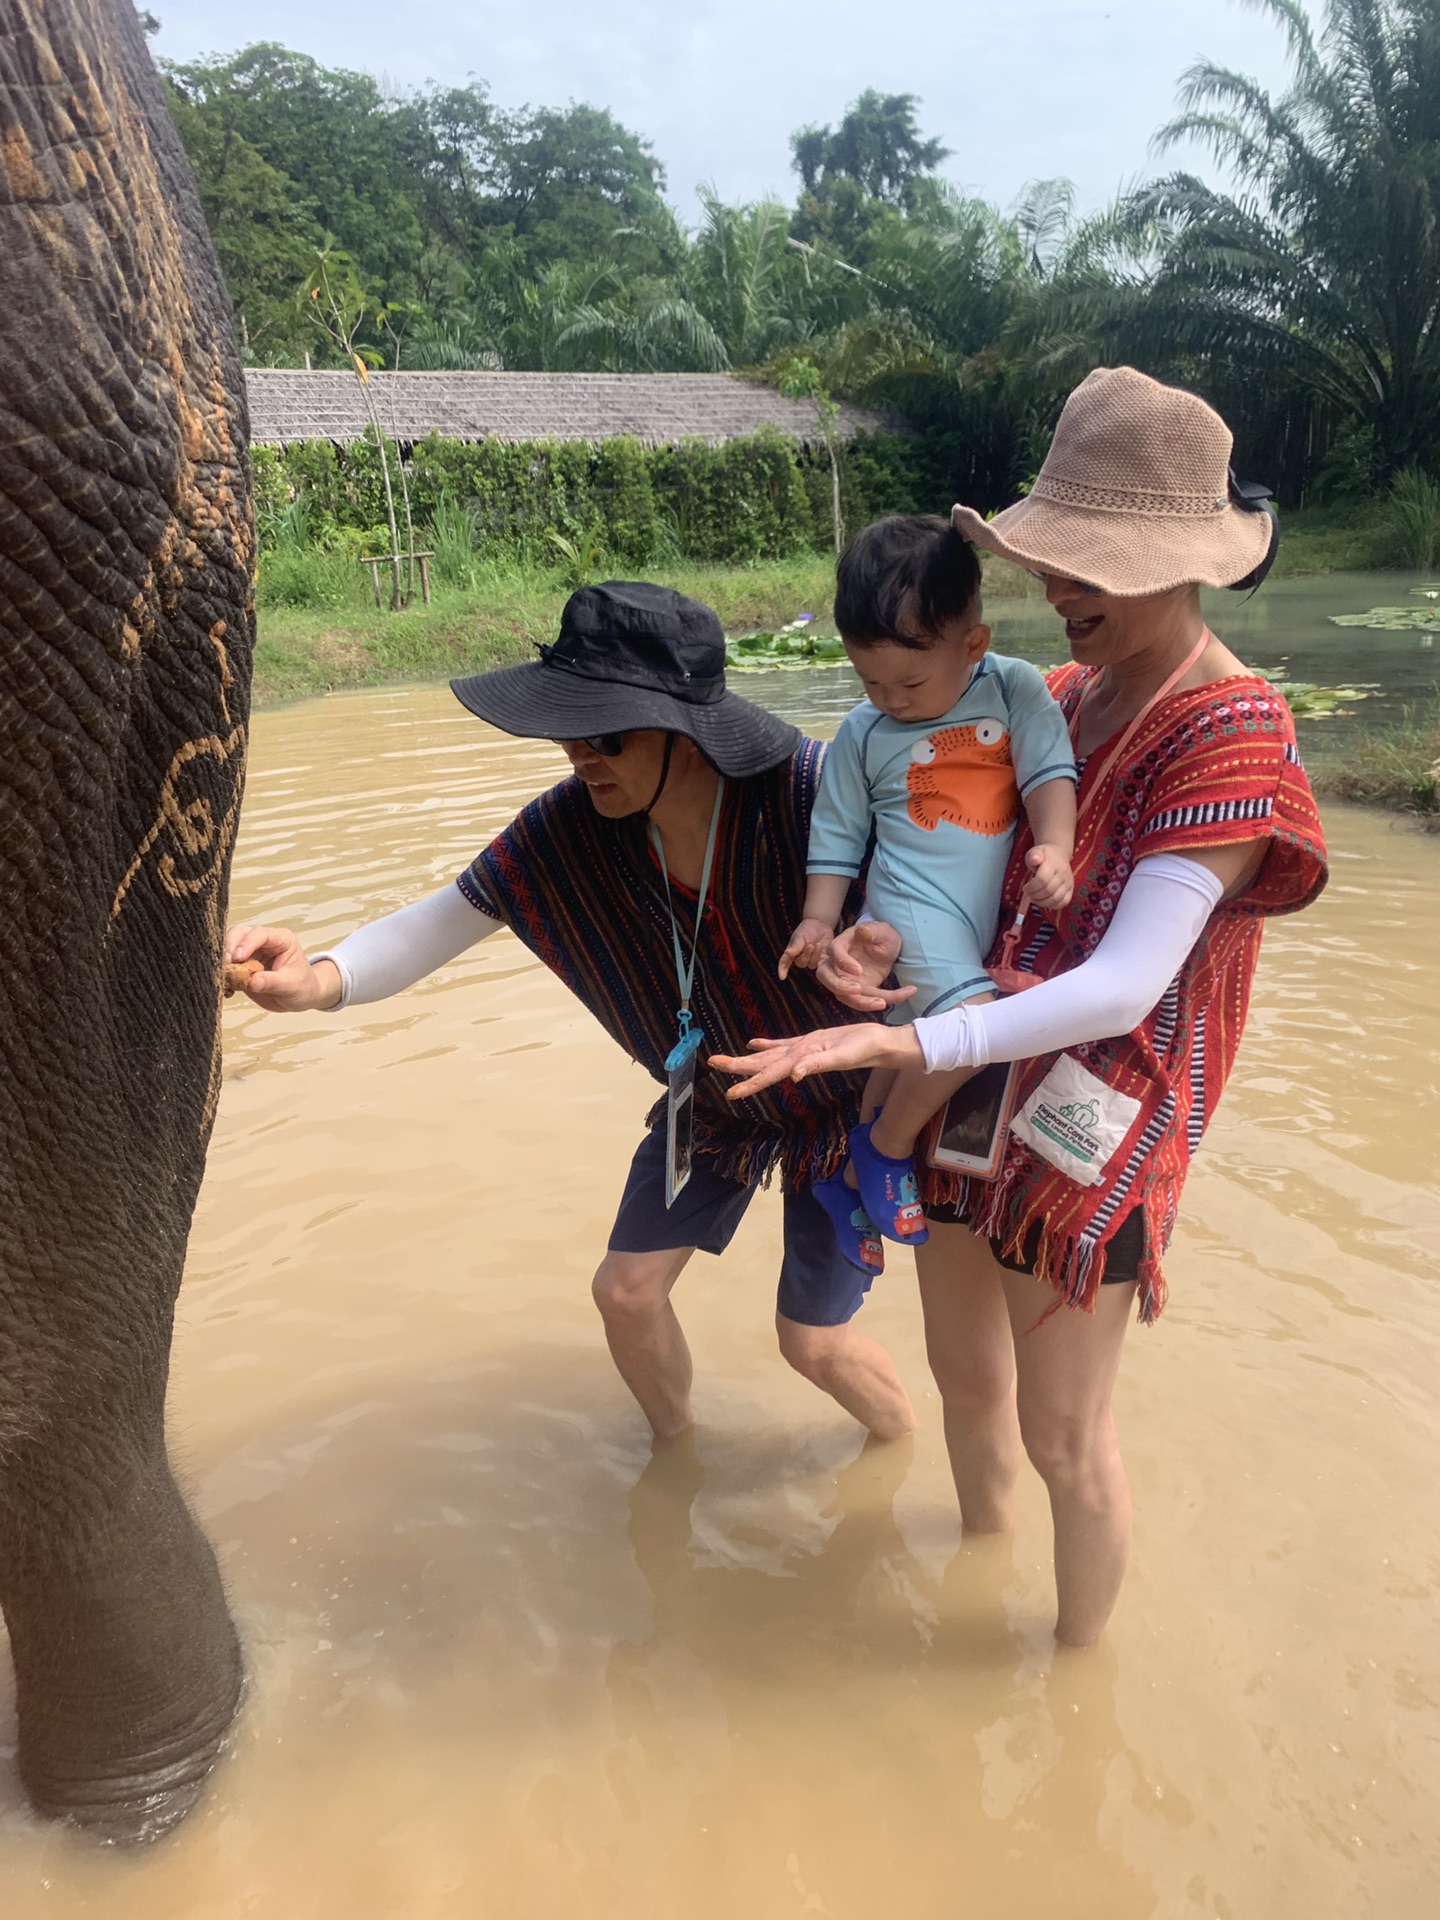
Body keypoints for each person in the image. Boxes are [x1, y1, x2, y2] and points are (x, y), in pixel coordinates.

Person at [712, 367, 1328, 1646]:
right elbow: (945, 858)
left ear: (1185, 564)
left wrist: (906, 1037)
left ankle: (1072, 1676)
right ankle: (975, 1590)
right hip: (969, 1078)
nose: (1062, 590)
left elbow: (1125, 983)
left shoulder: (1232, 730)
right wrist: (868, 940)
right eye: (1053, 561)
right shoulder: (1044, 698)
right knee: (962, 1383)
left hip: (1098, 1117)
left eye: (1094, 568)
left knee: (1061, 1432)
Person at [226, 582, 914, 1447]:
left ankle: (900, 1451)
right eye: (569, 730)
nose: (578, 754)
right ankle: (677, 1454)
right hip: (717, 1099)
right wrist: (316, 977)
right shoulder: (575, 826)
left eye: (605, 734)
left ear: (686, 731)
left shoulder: (816, 799)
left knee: (812, 1344)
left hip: (839, 1101)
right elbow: (439, 923)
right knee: (623, 1295)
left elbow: (945, 924)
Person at [779, 516, 1077, 1265]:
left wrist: (1056, 848)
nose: (891, 699)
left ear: (972, 645)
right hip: (910, 905)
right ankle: (888, 1148)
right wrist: (818, 921)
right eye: (870, 680)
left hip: (965, 920)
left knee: (901, 1054)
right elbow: (838, 835)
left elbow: (1048, 772)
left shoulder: (1013, 688)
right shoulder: (861, 733)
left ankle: (850, 1176)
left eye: (909, 681)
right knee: (974, 1021)